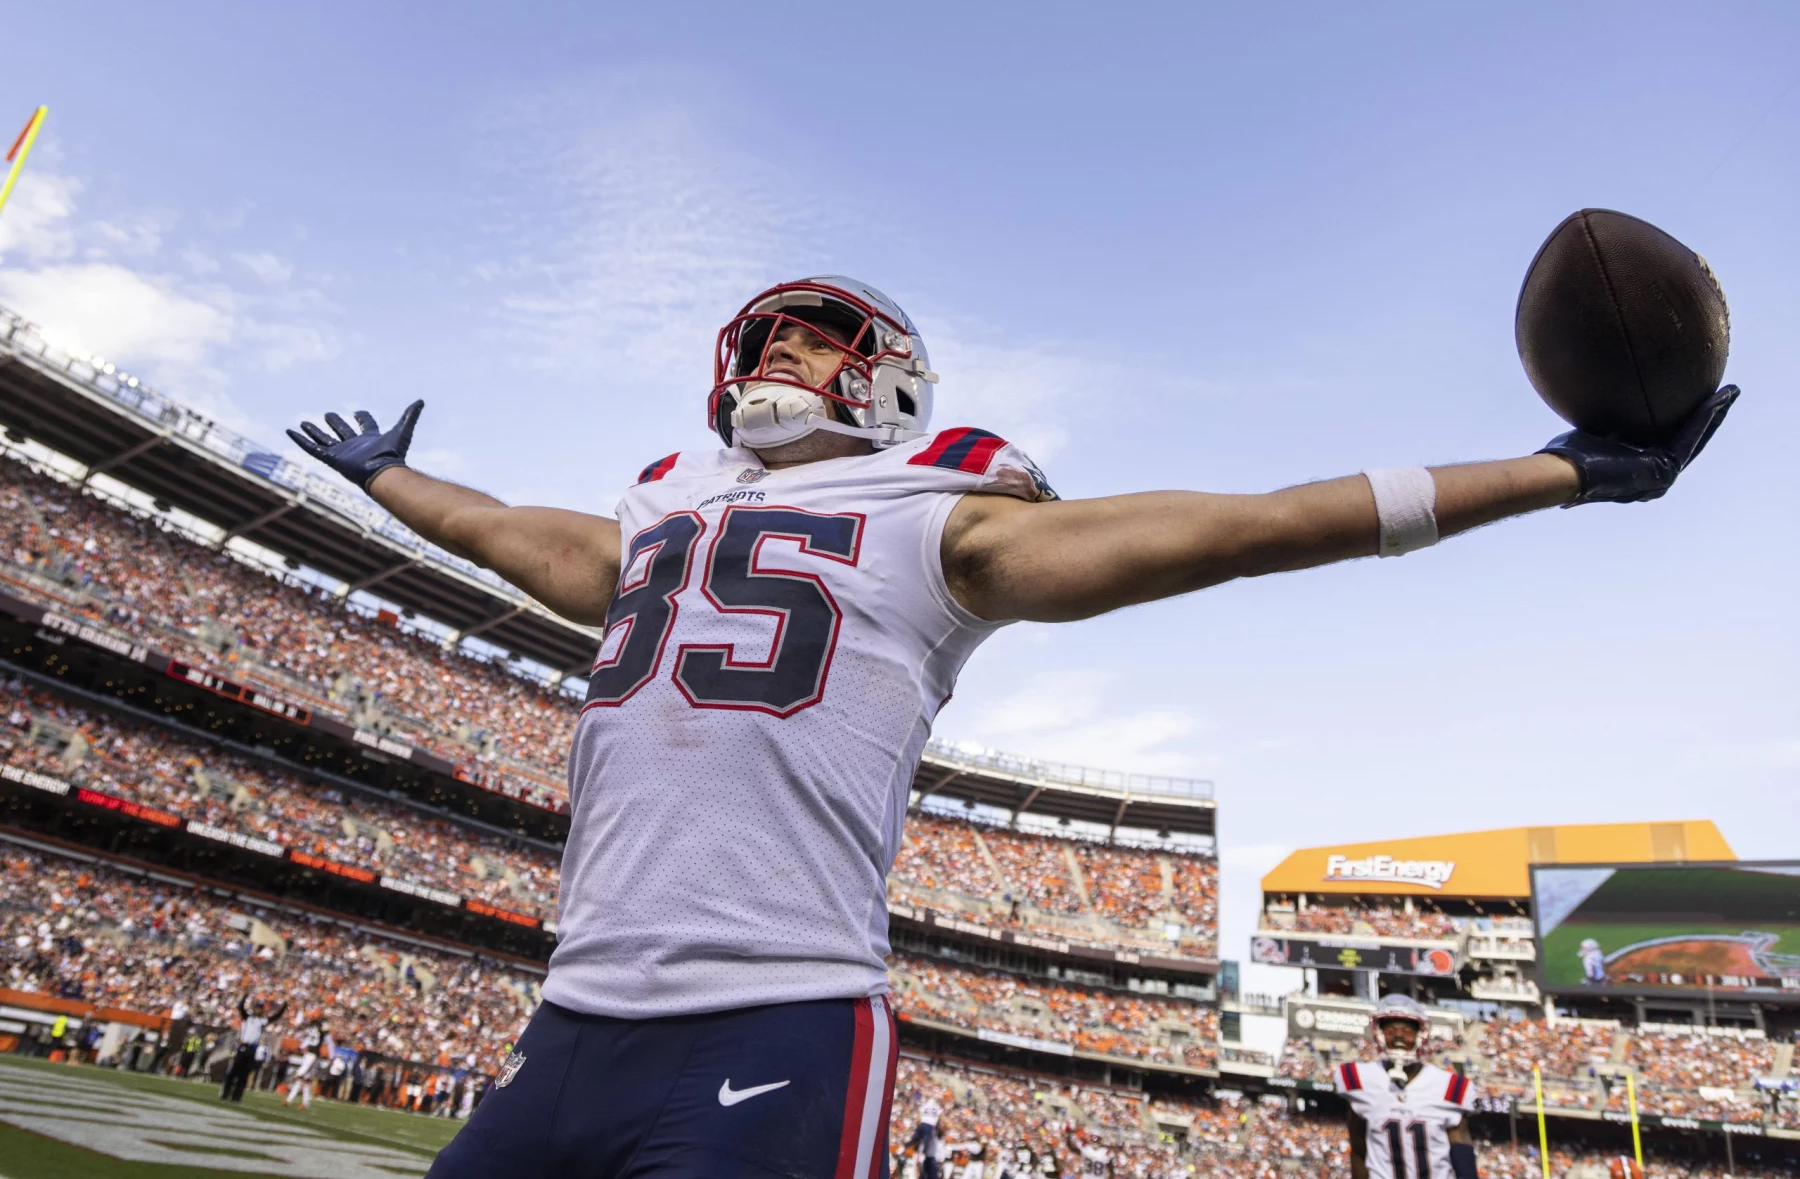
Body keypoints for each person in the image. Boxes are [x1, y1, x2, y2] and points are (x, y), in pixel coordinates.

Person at [288, 275, 1736, 1179]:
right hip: (573, 1019)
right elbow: (501, 530)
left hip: (775, 1018)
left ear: (894, 382)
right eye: (770, 339)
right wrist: (396, 486)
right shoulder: (660, 512)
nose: (782, 356)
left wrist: (1552, 477)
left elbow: (1249, 526)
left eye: (817, 339)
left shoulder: (947, 516)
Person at [1334, 994, 1478, 1179]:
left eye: (1407, 1030)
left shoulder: (1449, 1086)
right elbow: (1360, 1151)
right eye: (1391, 1030)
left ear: (1421, 1035)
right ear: (1378, 1033)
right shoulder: (1360, 1080)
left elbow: (1462, 1155)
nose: (1399, 1035)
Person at [222, 994, 285, 1103]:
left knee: (244, 1074)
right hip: (243, 1046)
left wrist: (284, 1006)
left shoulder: (262, 1021)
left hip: (252, 1048)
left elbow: (276, 1016)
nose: (258, 1010)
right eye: (257, 1008)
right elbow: (241, 1007)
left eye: (260, 1009)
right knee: (233, 1072)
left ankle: (236, 1097)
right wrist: (245, 996)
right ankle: (225, 1094)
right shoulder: (248, 1017)